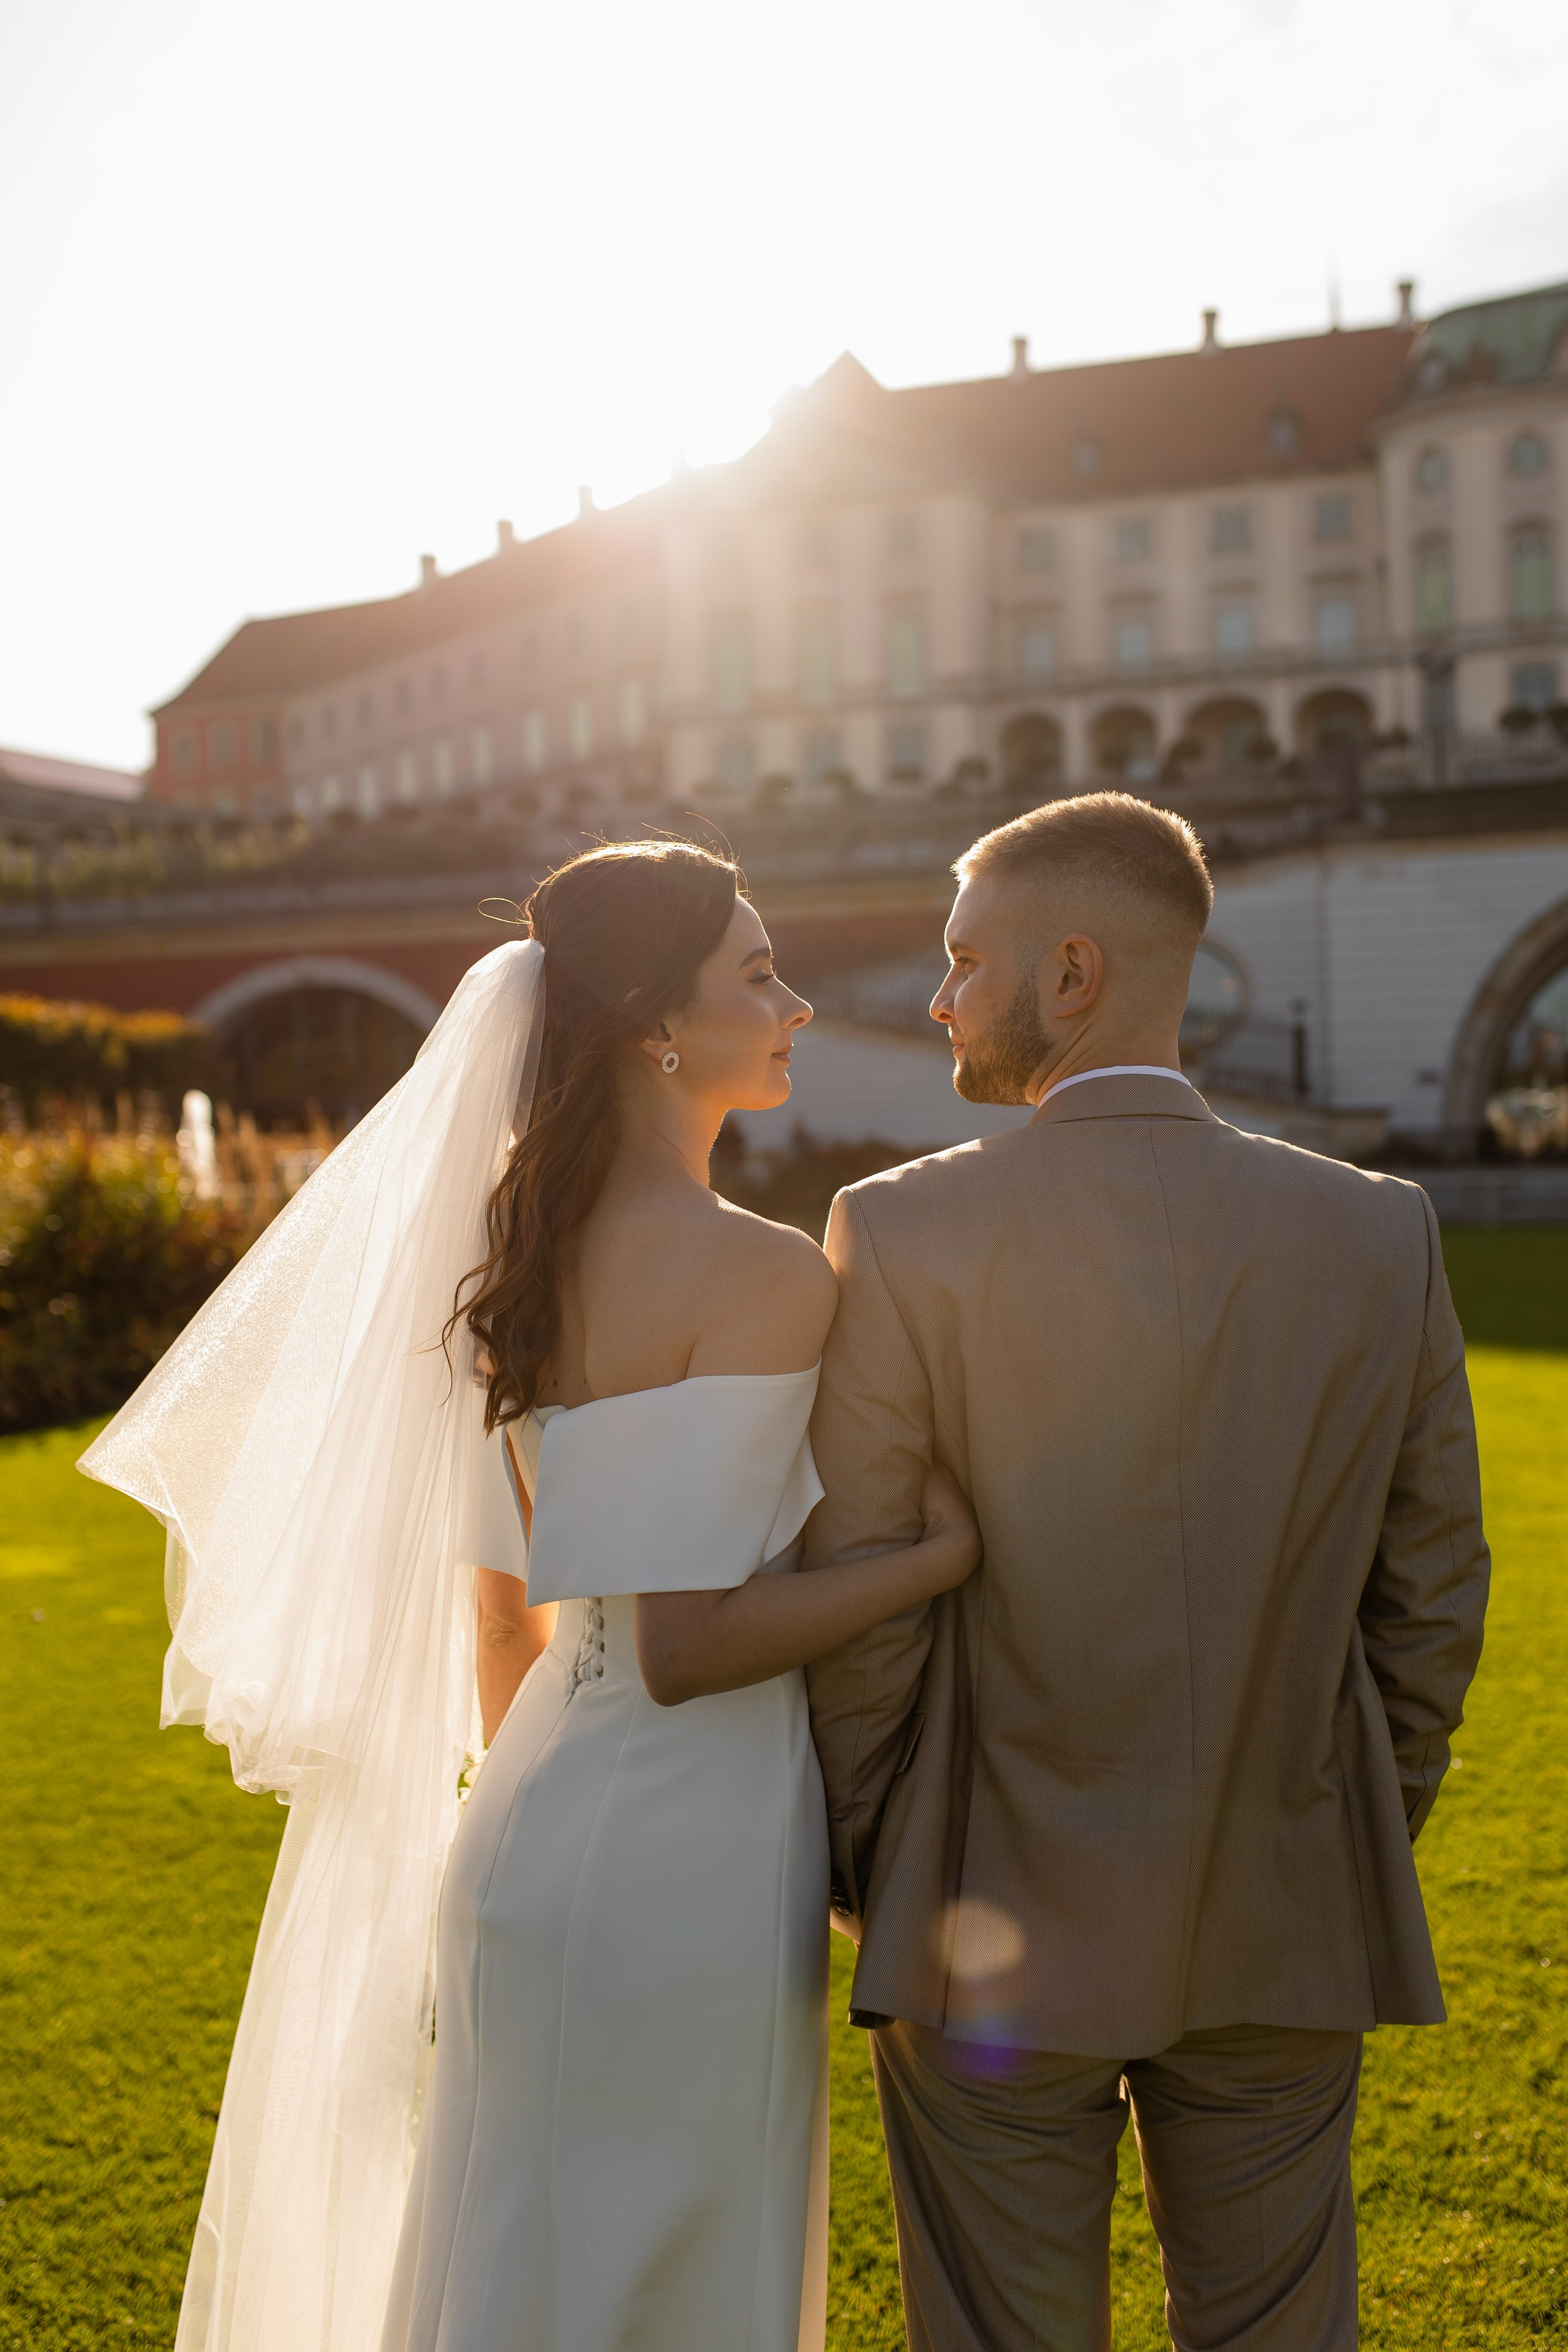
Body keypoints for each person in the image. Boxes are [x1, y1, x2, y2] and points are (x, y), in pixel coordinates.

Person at [81, 840, 977, 2352]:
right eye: (759, 975)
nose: (798, 1007)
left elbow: (510, 1622)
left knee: (521, 2256)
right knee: (664, 2267)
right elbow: (682, 1646)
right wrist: (932, 1565)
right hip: (682, 1843)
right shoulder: (757, 1277)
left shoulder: (511, 1260)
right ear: (655, 1024)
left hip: (531, 1819)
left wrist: (553, 1825)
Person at [805, 790, 1490, 2352]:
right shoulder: (1378, 1231)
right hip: (1286, 1902)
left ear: (1070, 972)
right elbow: (1433, 1592)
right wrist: (1343, 1816)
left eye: (962, 959)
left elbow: (865, 1597)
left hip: (981, 1914)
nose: (937, 996)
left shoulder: (897, 1232)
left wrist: (875, 1858)